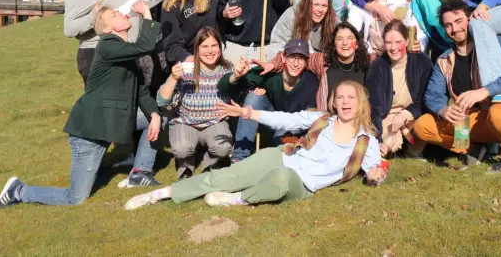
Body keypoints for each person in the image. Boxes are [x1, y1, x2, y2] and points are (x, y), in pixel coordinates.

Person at [0, 1, 164, 209]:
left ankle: (139, 173)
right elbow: (145, 45)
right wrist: (146, 13)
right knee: (75, 198)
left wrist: (154, 114)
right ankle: (19, 191)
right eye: (114, 14)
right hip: (89, 132)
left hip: (111, 122)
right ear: (109, 28)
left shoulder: (125, 53)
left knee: (154, 117)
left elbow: (141, 90)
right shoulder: (108, 44)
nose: (121, 13)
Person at [124, 81, 386, 210]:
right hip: (283, 157)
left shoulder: (366, 142)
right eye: (340, 97)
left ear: (360, 102)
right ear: (334, 101)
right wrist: (248, 113)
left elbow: (375, 170)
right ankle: (162, 193)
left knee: (282, 179)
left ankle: (238, 199)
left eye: (351, 97)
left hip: (301, 184)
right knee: (228, 175)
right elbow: (286, 118)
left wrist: (375, 176)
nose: (345, 102)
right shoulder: (323, 119)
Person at [413, 0, 501, 173]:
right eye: (448, 25)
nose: (455, 29)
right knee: (422, 126)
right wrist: (443, 110)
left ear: (469, 19)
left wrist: (485, 91)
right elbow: (433, 94)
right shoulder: (444, 60)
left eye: (459, 21)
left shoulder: (497, 44)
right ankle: (473, 149)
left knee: (498, 113)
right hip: (470, 121)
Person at [218, 39, 319, 161]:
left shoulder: (311, 83)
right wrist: (236, 76)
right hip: (267, 119)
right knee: (254, 97)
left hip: (292, 127)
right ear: (283, 57)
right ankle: (239, 157)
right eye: (292, 57)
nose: (296, 63)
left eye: (301, 59)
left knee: (281, 144)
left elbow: (308, 121)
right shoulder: (270, 74)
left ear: (307, 62)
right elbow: (223, 86)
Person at [158, 27, 233, 179]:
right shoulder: (185, 69)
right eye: (205, 46)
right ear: (197, 49)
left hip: (215, 122)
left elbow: (241, 90)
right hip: (186, 122)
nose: (210, 51)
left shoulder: (228, 69)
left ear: (220, 47)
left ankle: (211, 163)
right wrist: (173, 78)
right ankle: (186, 167)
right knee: (182, 149)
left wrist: (255, 87)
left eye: (214, 46)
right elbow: (161, 100)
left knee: (222, 147)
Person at [264, 22, 371, 112]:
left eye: (350, 38)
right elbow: (292, 55)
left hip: (358, 121)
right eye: (339, 39)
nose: (345, 43)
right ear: (334, 44)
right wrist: (273, 64)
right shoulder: (323, 61)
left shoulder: (367, 65)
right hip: (327, 122)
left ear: (357, 44)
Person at [365, 20, 433, 157]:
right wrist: (377, 139)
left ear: (407, 41)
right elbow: (374, 108)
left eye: (398, 42)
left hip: (413, 115)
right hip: (388, 116)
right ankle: (397, 148)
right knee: (388, 145)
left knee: (423, 128)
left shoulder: (422, 61)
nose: (393, 47)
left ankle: (411, 150)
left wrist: (407, 113)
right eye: (389, 43)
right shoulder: (377, 66)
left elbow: (426, 97)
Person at [160, 0, 217, 66]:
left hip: (213, 55)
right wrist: (187, 58)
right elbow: (171, 45)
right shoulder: (171, 7)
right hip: (189, 60)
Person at [268, 0, 338, 59]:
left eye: (324, 6)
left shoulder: (332, 20)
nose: (320, 10)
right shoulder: (291, 16)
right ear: (307, 4)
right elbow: (277, 46)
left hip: (320, 64)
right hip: (292, 62)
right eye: (316, 4)